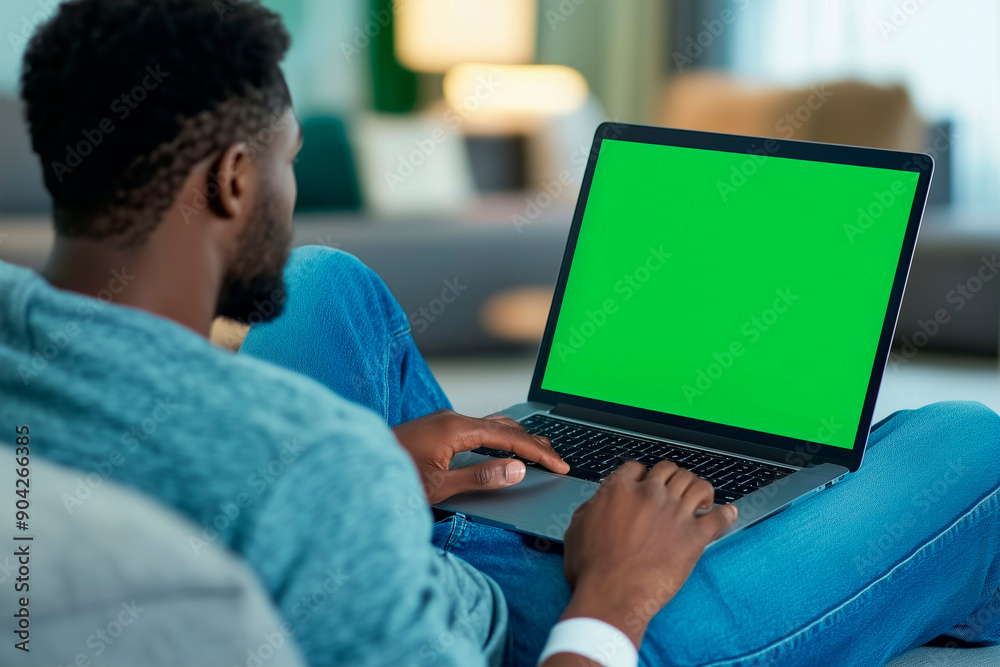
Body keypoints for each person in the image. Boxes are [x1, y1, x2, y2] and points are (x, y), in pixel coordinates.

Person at [0, 1, 997, 666]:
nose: (290, 190)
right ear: (230, 182)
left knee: (327, 280)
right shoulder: (311, 472)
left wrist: (383, 469)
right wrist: (611, 594)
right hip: (556, 613)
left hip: (405, 520)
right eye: (288, 162)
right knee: (968, 442)